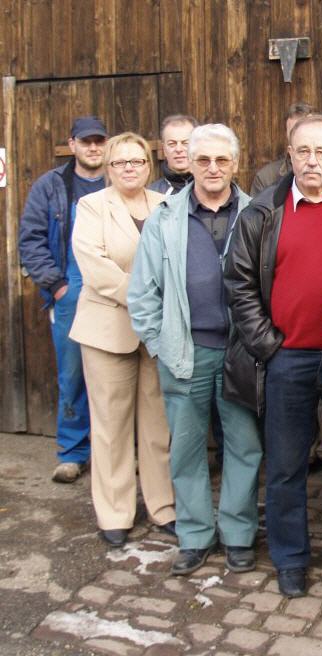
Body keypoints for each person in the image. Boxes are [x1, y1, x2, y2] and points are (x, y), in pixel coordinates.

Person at [224, 114, 322, 599]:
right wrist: (269, 345)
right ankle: (290, 559)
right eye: (302, 151)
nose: (312, 160)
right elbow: (239, 285)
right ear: (289, 156)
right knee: (287, 466)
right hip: (285, 358)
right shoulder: (262, 212)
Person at [128, 124, 263, 576]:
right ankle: (195, 534)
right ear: (189, 162)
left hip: (241, 352)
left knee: (244, 446)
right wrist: (159, 344)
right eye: (203, 160)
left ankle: (240, 533)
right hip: (186, 352)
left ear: (235, 165)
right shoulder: (165, 216)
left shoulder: (257, 214)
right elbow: (143, 292)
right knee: (186, 449)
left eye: (221, 160)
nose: (212, 168)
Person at [68, 132, 176, 548]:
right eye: (120, 162)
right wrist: (147, 294)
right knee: (111, 427)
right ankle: (115, 512)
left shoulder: (165, 205)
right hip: (108, 330)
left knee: (157, 424)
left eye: (137, 161)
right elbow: (95, 268)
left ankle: (163, 505)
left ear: (149, 166)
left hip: (157, 333)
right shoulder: (92, 206)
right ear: (108, 168)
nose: (129, 168)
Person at [18, 115, 107, 483]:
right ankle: (73, 452)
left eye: (99, 141)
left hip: (112, 290)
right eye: (85, 141)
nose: (92, 147)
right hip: (70, 290)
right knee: (72, 374)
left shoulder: (119, 181)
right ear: (71, 145)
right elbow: (31, 239)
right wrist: (56, 285)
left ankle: (111, 450)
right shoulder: (50, 186)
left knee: (115, 376)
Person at [250, 101, 316, 196]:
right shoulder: (266, 179)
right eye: (294, 132)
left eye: (308, 130)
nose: (302, 137)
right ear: (286, 135)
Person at [148, 114, 198, 195]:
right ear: (164, 149)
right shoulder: (153, 194)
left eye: (185, 143)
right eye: (172, 144)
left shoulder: (210, 188)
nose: (178, 149)